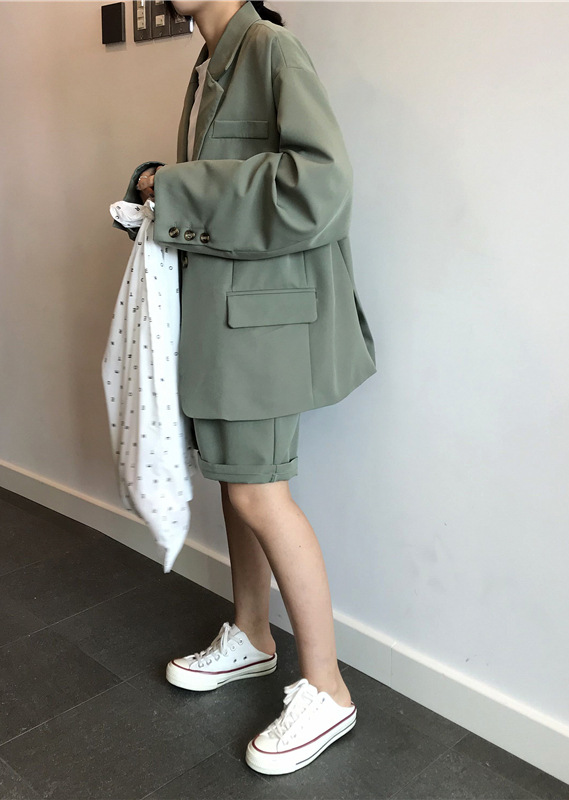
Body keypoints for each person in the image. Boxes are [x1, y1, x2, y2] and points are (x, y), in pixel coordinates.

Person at [116, 0, 377, 776]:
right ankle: (254, 634)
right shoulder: (210, 63)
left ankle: (327, 688)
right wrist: (162, 197)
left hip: (260, 324)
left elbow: (322, 185)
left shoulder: (267, 48)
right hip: (229, 319)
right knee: (237, 484)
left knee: (261, 494)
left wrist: (179, 188)